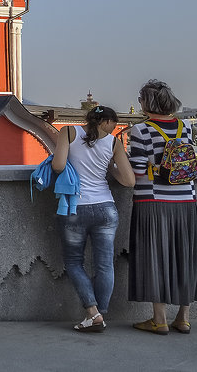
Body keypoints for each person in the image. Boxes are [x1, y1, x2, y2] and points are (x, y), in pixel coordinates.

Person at [52, 105, 136, 332]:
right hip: (105, 208)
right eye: (114, 123)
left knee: (73, 262)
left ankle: (93, 312)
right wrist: (110, 169)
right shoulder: (113, 143)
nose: (114, 128)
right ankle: (100, 313)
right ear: (106, 122)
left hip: (75, 207)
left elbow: (58, 166)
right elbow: (129, 181)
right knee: (105, 264)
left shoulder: (68, 132)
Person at [127, 79, 197, 335]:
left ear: (147, 103)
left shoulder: (141, 131)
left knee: (155, 258)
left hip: (153, 202)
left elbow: (136, 170)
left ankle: (159, 319)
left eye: (140, 100)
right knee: (185, 257)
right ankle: (183, 318)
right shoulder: (186, 127)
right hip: (186, 201)